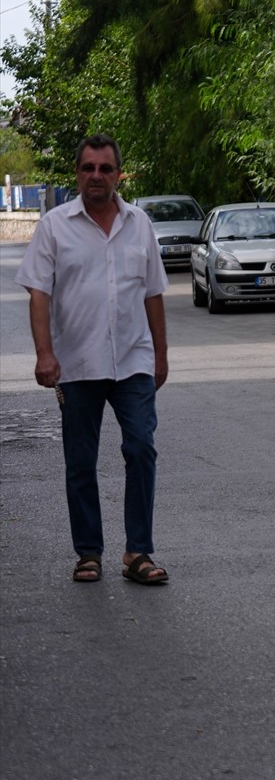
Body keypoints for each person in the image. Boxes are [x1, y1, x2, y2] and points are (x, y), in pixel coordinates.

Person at [14, 134, 170, 585]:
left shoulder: (139, 224)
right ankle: (88, 552)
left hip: (133, 361)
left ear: (118, 174)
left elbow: (153, 293)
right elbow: (39, 294)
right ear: (78, 174)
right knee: (81, 461)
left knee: (141, 448)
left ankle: (138, 551)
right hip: (77, 364)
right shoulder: (55, 226)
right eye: (88, 168)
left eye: (105, 168)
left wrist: (161, 355)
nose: (96, 176)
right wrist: (45, 354)